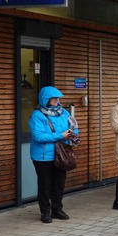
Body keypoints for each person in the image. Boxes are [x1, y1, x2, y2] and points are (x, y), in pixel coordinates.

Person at [28, 86, 77, 223]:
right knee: (45, 185)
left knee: (59, 184)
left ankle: (57, 210)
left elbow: (74, 127)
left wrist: (73, 134)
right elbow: (38, 136)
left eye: (58, 98)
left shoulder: (64, 113)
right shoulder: (37, 115)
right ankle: (45, 212)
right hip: (43, 157)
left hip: (61, 155)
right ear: (45, 99)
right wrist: (61, 135)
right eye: (54, 98)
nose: (57, 100)